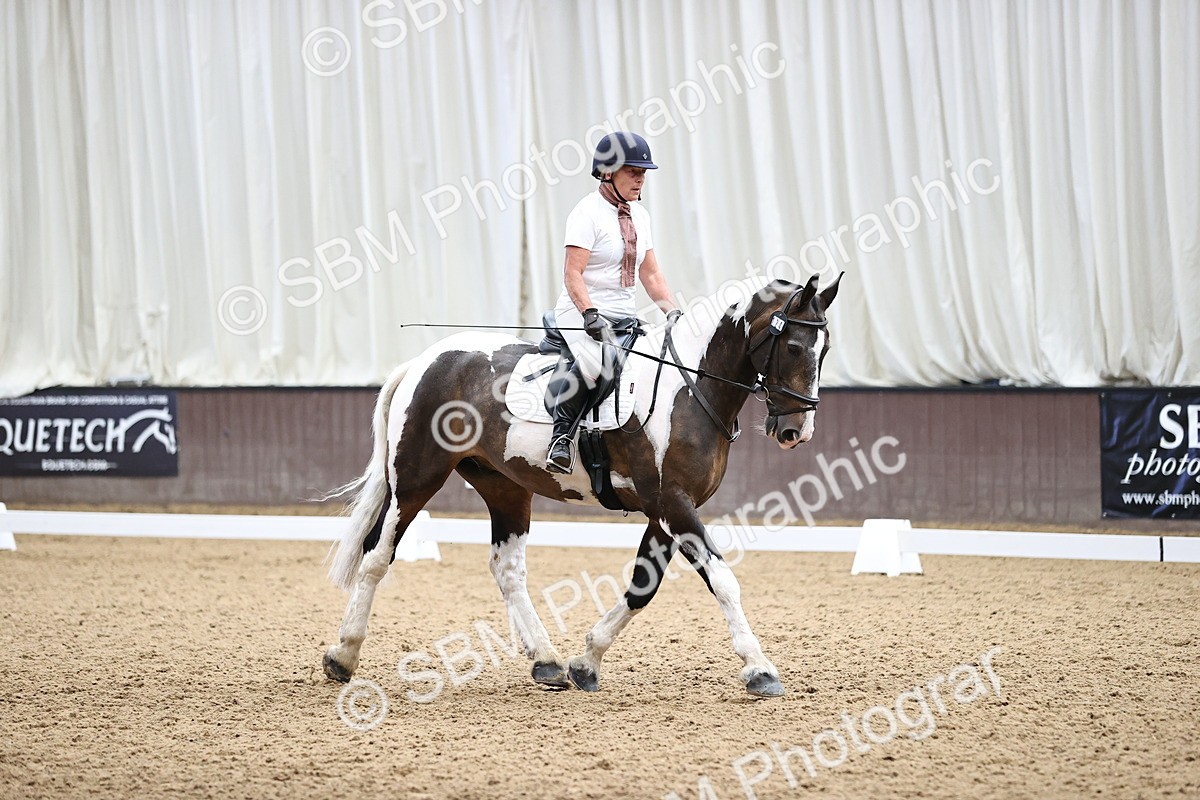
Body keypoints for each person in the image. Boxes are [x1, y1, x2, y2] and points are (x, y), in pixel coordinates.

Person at [545, 131, 682, 473]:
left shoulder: (641, 217)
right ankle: (561, 438)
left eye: (643, 172)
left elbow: (651, 275)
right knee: (598, 361)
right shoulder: (586, 213)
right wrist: (589, 314)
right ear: (608, 171)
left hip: (623, 316)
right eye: (633, 171)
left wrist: (674, 312)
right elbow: (572, 273)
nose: (641, 178)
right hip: (581, 313)